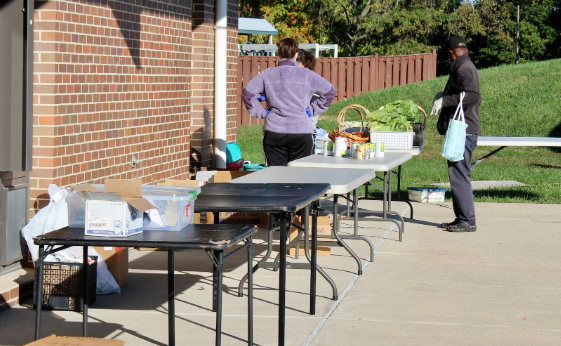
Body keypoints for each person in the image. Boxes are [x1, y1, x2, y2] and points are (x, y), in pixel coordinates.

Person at [242, 38, 336, 166]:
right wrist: (311, 110)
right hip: (301, 131)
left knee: (275, 177)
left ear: (278, 54)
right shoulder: (307, 74)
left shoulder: (267, 74)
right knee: (299, 178)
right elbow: (330, 92)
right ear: (296, 54)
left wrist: (262, 113)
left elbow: (248, 94)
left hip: (274, 131)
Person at [430, 35, 481, 232]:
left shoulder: (463, 68)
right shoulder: (464, 65)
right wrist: (445, 96)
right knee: (457, 173)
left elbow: (473, 96)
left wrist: (444, 101)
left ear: (451, 52)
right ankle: (461, 217)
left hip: (464, 130)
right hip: (465, 129)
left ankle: (468, 220)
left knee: (460, 175)